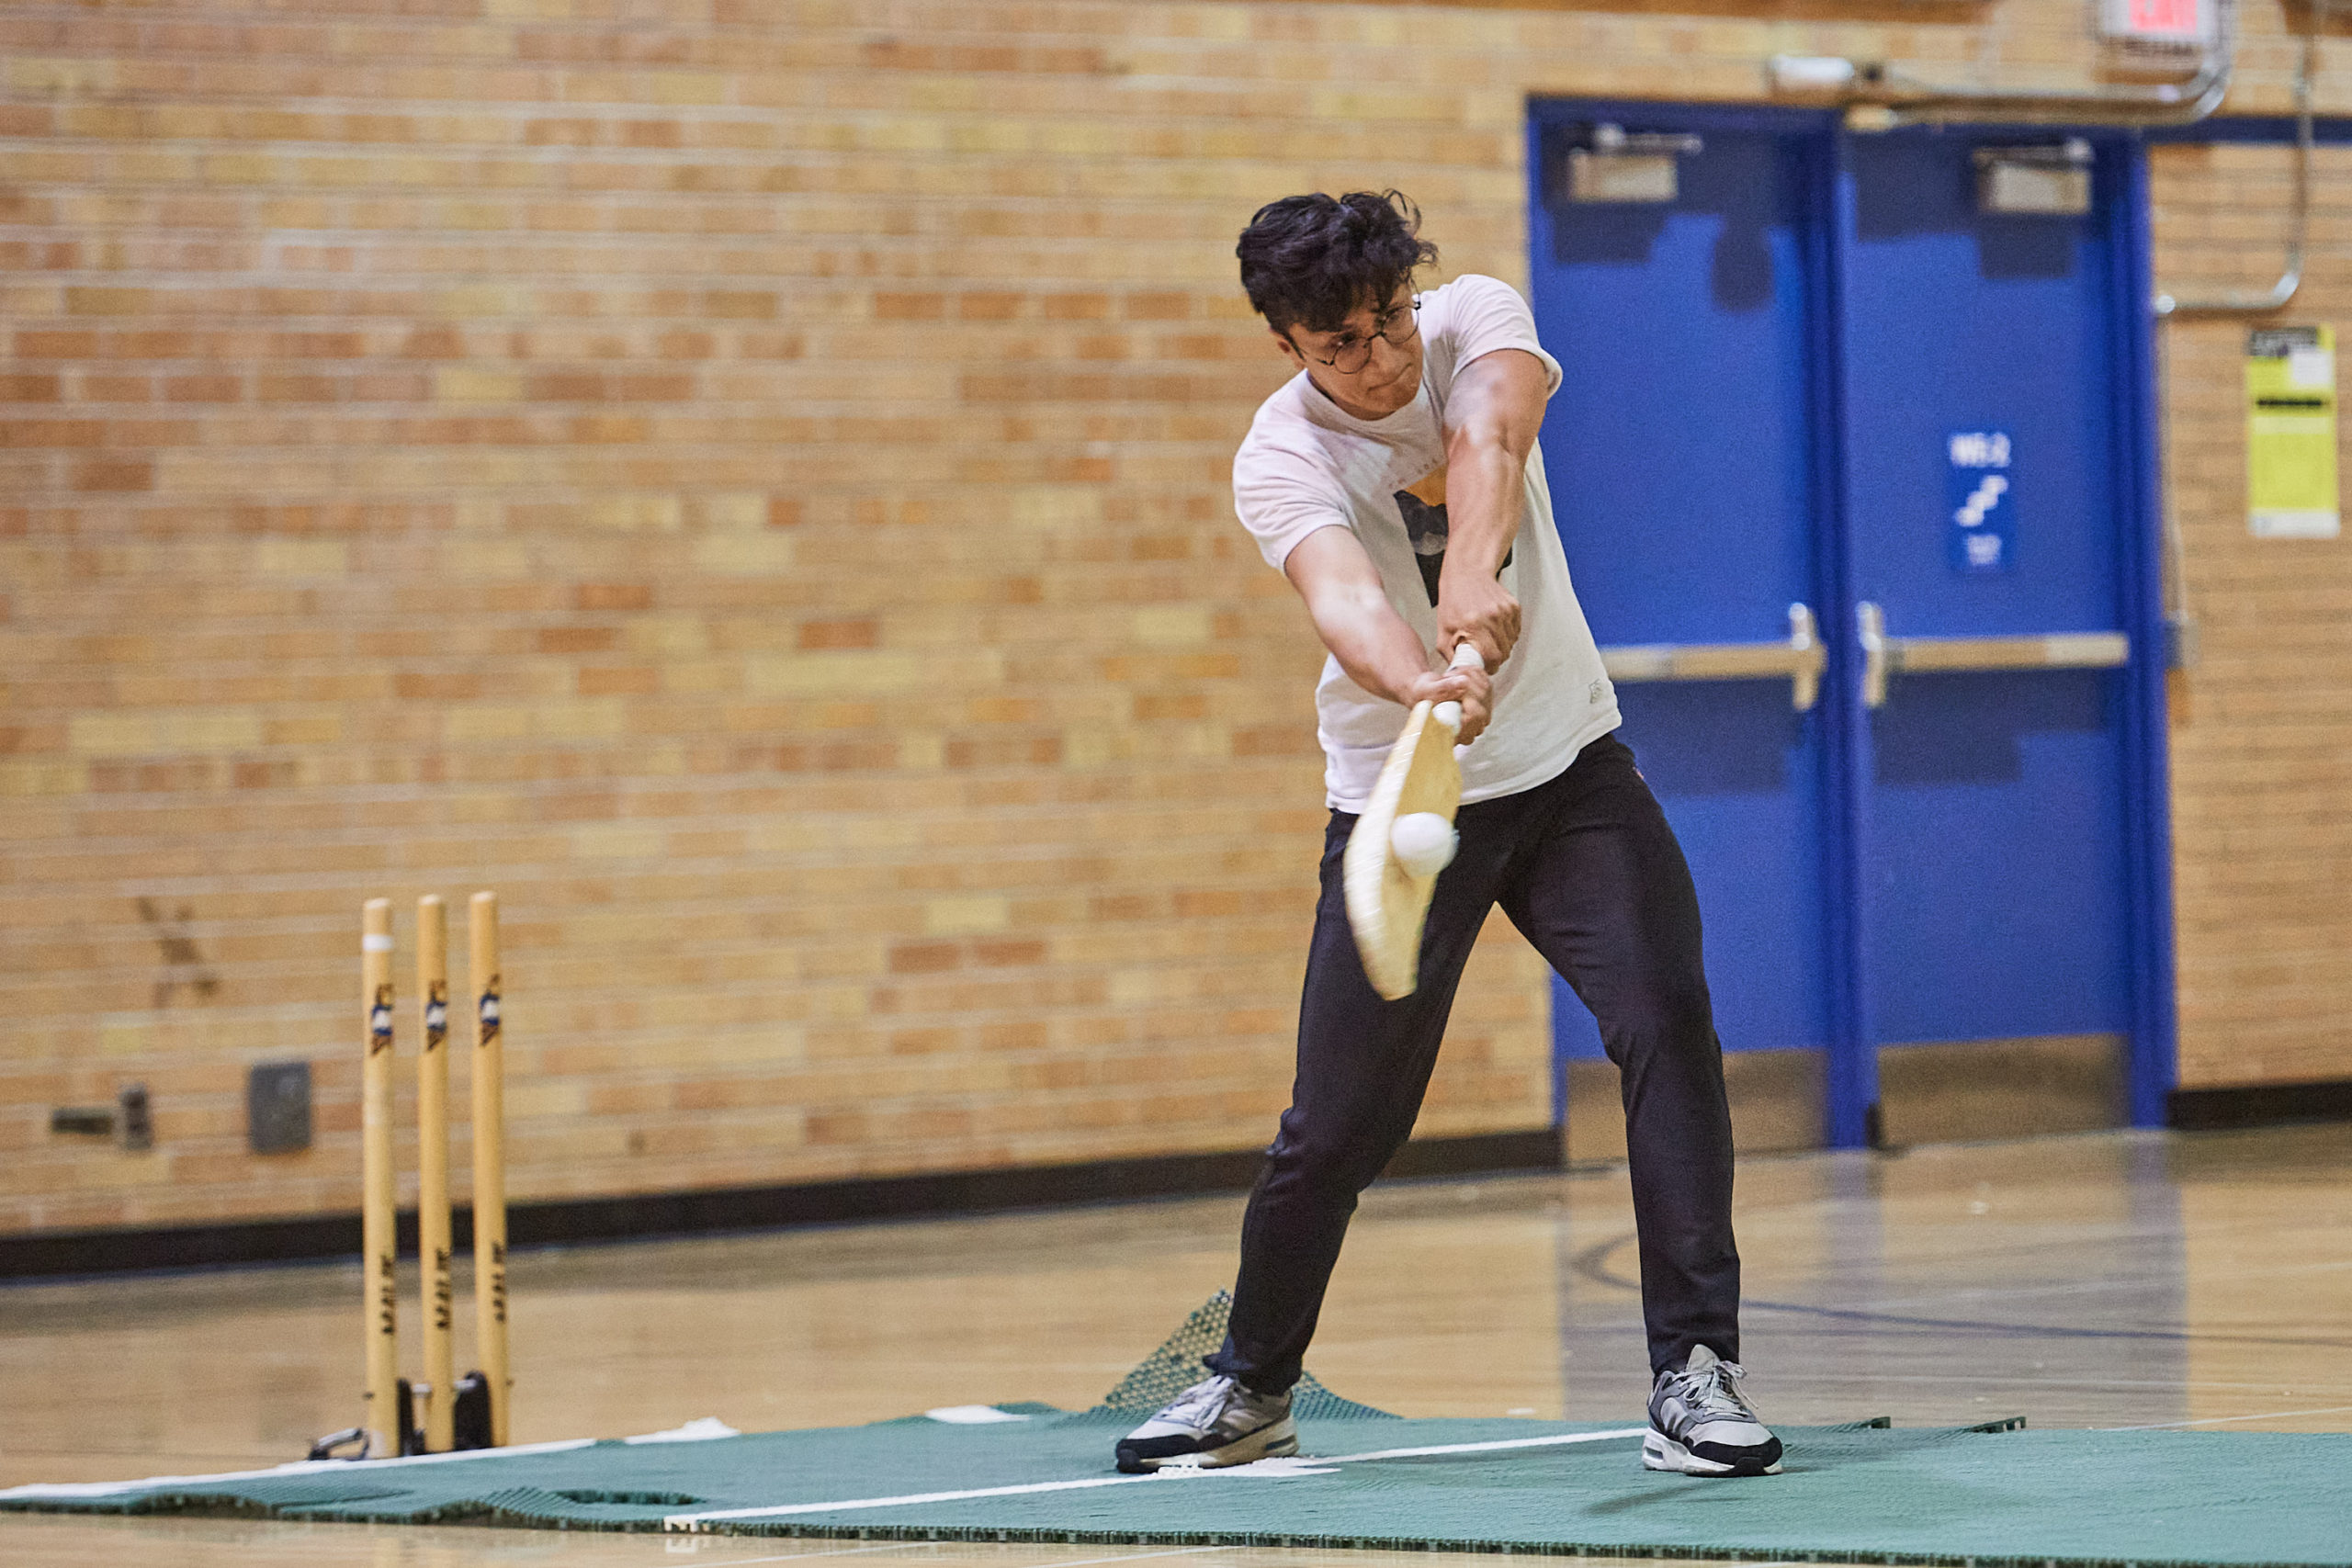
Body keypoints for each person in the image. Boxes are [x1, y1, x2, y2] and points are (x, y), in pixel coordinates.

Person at [1113, 192, 1781, 1480]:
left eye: (1388, 321)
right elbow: (1344, 595)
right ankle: (1250, 1385)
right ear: (1286, 345)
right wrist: (1413, 676)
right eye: (1340, 344)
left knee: (1668, 1025)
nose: (1378, 357)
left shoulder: (1476, 317)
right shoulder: (1280, 457)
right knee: (1340, 1125)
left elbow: (1490, 437)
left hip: (1570, 773)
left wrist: (1474, 575)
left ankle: (1694, 1375)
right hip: (1401, 807)